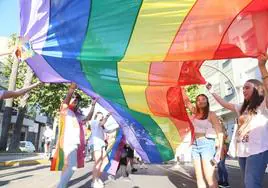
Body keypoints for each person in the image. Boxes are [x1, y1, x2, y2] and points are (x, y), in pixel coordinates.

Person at [206, 54, 268, 188]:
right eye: (243, 87)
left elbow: (267, 87)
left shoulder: (263, 105)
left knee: (251, 184)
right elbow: (224, 103)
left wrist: (262, 67)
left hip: (258, 150)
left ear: (257, 89)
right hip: (243, 151)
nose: (244, 90)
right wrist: (211, 92)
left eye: (247, 87)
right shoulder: (241, 107)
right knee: (248, 183)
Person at [182, 88, 223, 188]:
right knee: (199, 177)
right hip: (195, 145)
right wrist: (181, 88)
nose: (201, 101)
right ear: (196, 102)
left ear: (207, 101)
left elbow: (219, 132)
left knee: (209, 178)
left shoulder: (211, 114)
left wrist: (219, 149)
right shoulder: (195, 112)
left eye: (203, 99)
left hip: (207, 144)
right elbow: (186, 101)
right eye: (198, 100)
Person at [52, 83, 83, 188]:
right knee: (72, 167)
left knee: (67, 167)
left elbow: (87, 118)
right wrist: (71, 90)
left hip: (73, 142)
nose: (75, 100)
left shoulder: (75, 113)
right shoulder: (65, 110)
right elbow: (66, 101)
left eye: (76, 100)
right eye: (73, 98)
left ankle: (62, 186)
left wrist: (92, 105)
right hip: (68, 142)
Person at [88, 109, 112, 188]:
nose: (101, 116)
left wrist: (120, 127)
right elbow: (102, 122)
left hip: (101, 144)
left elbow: (109, 131)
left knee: (105, 161)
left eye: (102, 115)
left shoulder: (102, 125)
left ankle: (97, 178)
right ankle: (94, 182)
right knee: (98, 162)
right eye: (100, 115)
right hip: (96, 143)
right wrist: (107, 116)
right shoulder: (94, 122)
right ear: (96, 116)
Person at [216, 119, 230, 188]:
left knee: (222, 165)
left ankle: (226, 182)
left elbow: (224, 140)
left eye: (219, 121)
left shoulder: (222, 129)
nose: (218, 122)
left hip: (222, 148)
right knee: (219, 166)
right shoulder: (217, 129)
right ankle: (221, 180)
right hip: (218, 148)